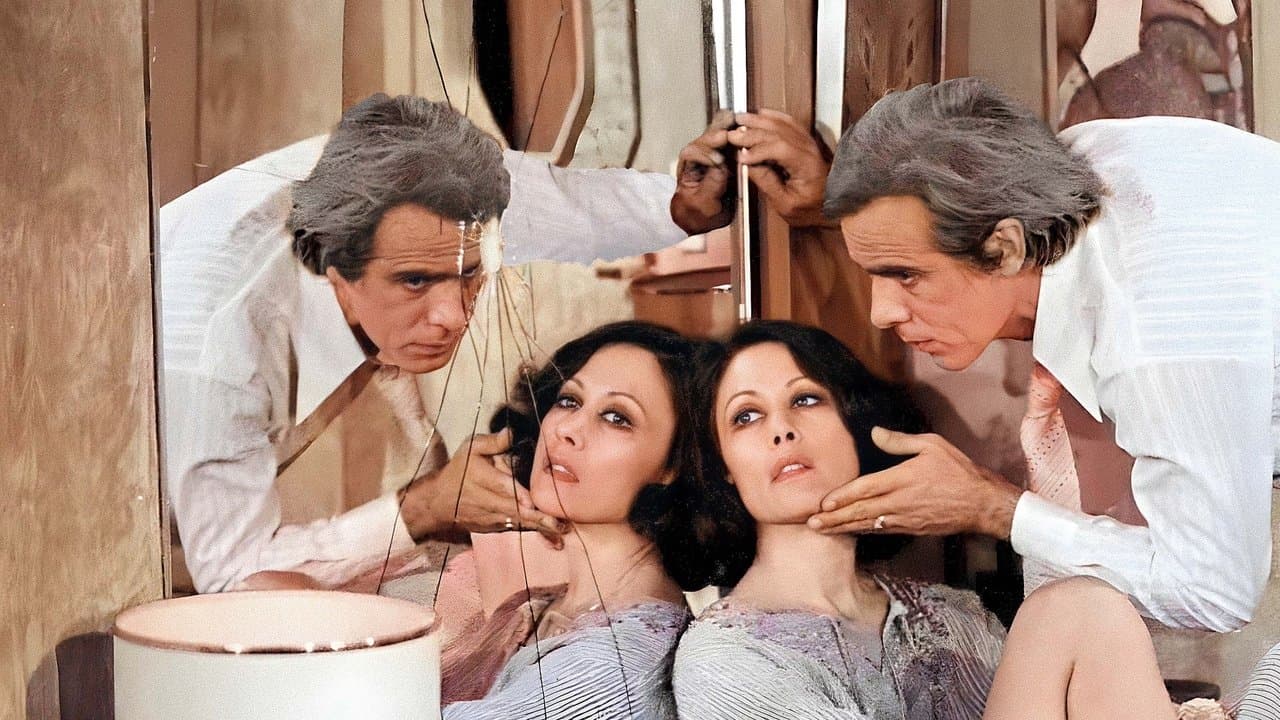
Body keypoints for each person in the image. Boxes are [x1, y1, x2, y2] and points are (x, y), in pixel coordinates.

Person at [670, 77, 1280, 632]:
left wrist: (993, 507)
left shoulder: (1156, 335)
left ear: (1005, 249)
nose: (882, 313)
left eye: (905, 275)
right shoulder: (1073, 170)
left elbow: (1212, 589)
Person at [164, 93, 691, 593]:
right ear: (340, 280)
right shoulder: (222, 355)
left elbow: (555, 201)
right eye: (415, 281)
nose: (455, 317)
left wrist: (684, 209)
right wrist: (427, 507)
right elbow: (234, 577)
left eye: (472, 273)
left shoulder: (415, 180)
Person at [673, 320, 1006, 718]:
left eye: (805, 399)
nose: (782, 430)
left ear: (856, 425)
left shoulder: (956, 617)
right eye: (746, 416)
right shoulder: (723, 659)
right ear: (723, 464)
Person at [439, 321, 716, 719]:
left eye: (616, 417)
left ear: (675, 464)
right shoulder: (543, 605)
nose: (567, 429)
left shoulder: (607, 668)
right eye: (569, 401)